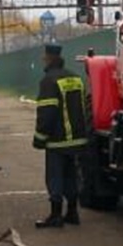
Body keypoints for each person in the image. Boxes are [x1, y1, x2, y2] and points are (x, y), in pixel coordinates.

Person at [32, 44, 89, 228]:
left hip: (57, 141)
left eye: (44, 56)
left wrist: (39, 137)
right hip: (77, 138)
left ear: (48, 58)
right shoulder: (76, 78)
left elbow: (47, 112)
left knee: (55, 177)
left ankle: (55, 216)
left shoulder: (49, 81)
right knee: (71, 176)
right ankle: (72, 213)